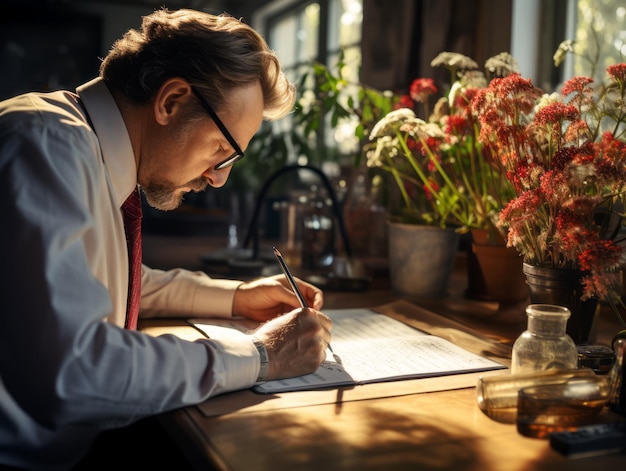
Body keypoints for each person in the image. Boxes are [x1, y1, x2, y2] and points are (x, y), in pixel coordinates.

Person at [0, 8, 332, 471]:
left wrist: (237, 298)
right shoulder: (46, 148)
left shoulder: (79, 147)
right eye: (222, 150)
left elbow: (106, 281)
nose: (219, 179)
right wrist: (260, 355)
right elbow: (75, 372)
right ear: (171, 101)